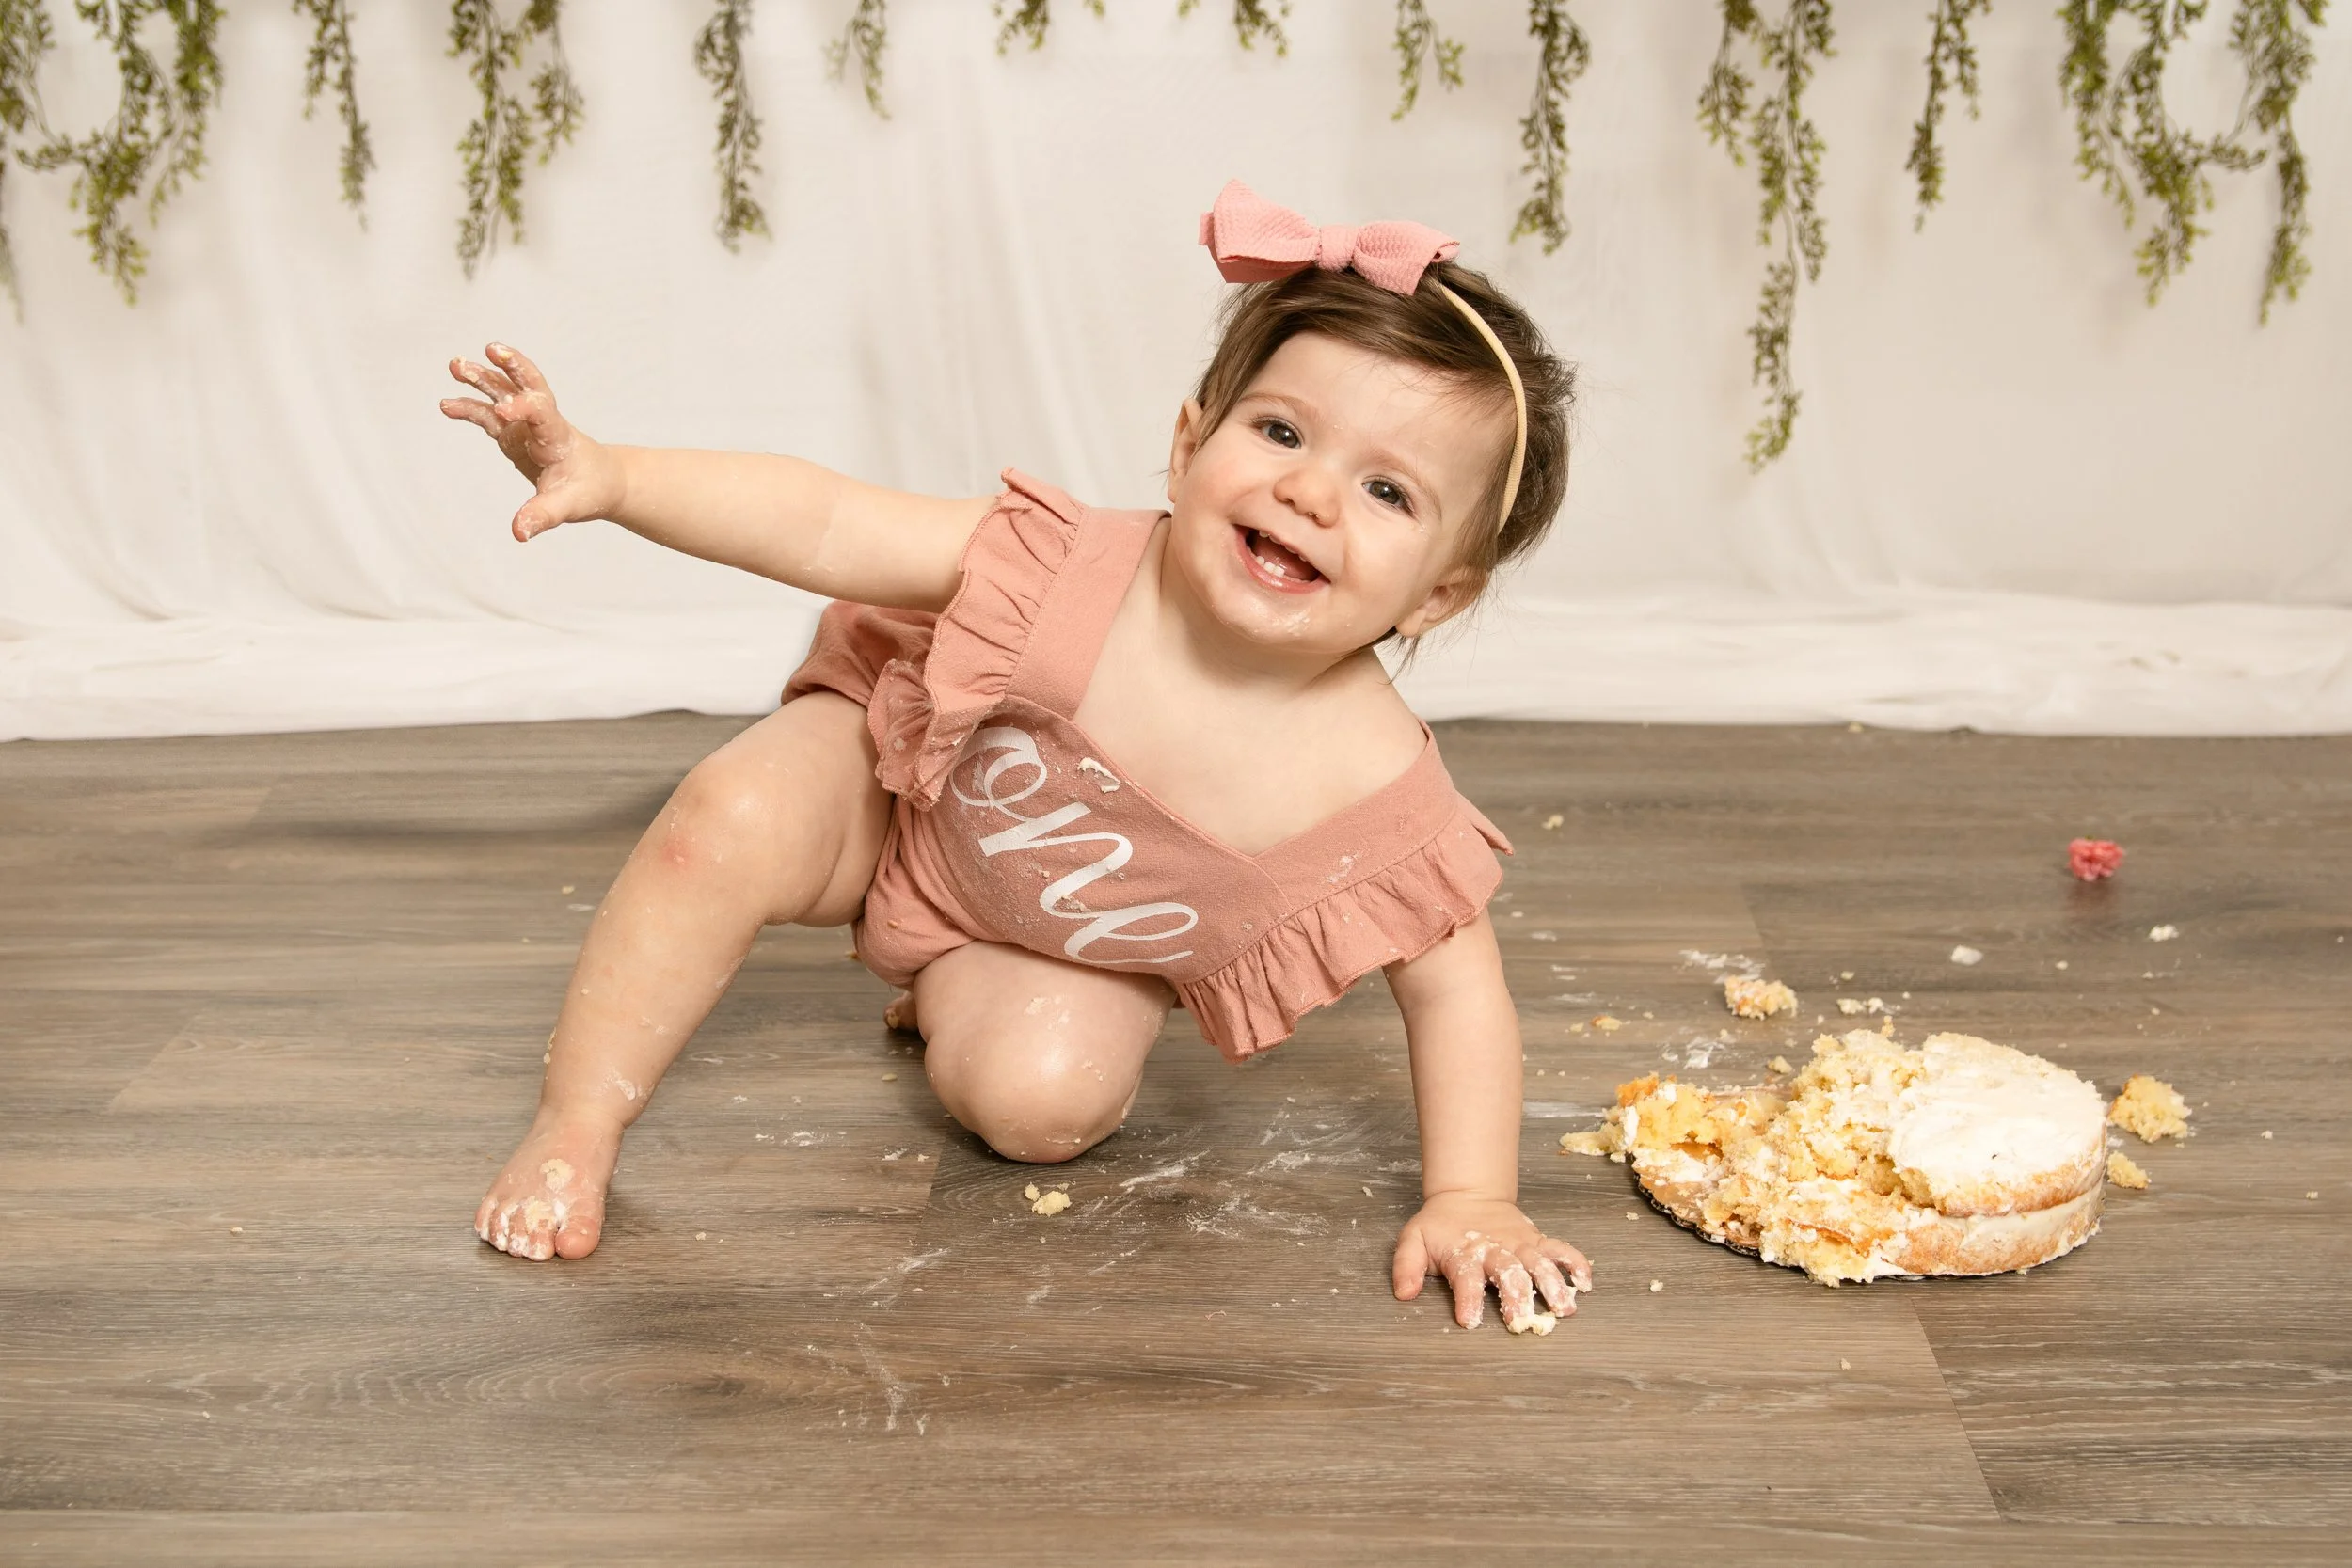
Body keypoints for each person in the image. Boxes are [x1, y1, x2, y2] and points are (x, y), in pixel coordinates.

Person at [440, 182, 1589, 1332]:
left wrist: (1474, 1196)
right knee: (730, 814)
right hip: (894, 794)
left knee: (1043, 1105)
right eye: (1280, 431)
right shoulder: (1067, 568)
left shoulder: (1371, 786)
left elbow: (1458, 997)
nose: (1307, 490)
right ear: (1190, 444)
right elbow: (829, 521)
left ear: (1441, 591)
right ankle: (575, 1123)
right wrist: (617, 476)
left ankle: (941, 985)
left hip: (1037, 929)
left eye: (1387, 490)